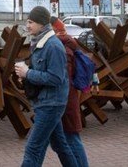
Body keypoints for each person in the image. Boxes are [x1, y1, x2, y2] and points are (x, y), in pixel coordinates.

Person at [15, 6, 77, 167]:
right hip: (46, 101)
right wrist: (26, 77)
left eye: (31, 22)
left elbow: (56, 78)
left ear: (42, 24)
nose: (27, 25)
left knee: (33, 148)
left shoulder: (53, 46)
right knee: (59, 145)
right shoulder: (40, 42)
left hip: (51, 104)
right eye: (27, 22)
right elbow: (44, 74)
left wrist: (28, 74)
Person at [50, 17, 89, 167]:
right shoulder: (66, 44)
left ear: (53, 29)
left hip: (65, 99)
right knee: (65, 140)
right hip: (66, 99)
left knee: (71, 138)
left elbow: (60, 78)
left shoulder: (63, 48)